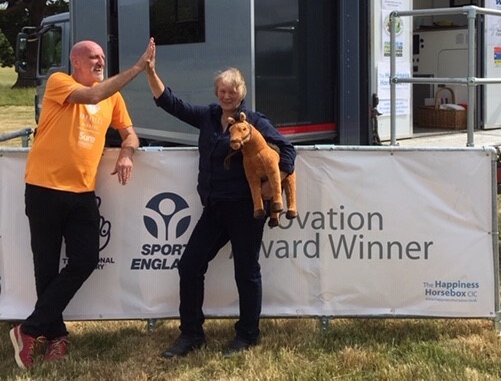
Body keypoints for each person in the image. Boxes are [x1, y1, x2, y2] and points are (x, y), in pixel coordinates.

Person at [9, 38, 155, 370]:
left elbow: (130, 133)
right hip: (44, 189)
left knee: (86, 259)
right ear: (76, 61)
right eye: (93, 57)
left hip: (82, 193)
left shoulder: (113, 97)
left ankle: (28, 330)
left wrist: (127, 153)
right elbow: (92, 95)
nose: (100, 61)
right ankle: (56, 336)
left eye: (103, 57)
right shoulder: (60, 82)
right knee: (45, 269)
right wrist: (137, 67)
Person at [145, 61, 296, 358]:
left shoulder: (253, 121)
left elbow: (286, 149)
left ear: (241, 95)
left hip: (246, 210)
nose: (227, 96)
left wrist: (272, 188)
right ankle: (191, 334)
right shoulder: (208, 117)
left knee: (246, 272)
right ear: (217, 93)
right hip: (214, 209)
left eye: (232, 92)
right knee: (189, 266)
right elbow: (170, 103)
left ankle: (248, 335)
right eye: (222, 91)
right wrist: (150, 72)